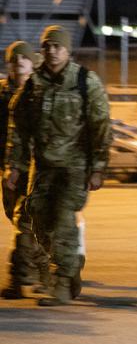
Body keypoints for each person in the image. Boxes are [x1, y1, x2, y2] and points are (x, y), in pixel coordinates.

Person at [5, 25, 112, 306]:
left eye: (57, 46)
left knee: (64, 218)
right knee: (38, 220)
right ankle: (71, 265)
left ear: (67, 50)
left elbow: (101, 126)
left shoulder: (84, 81)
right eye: (47, 46)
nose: (51, 51)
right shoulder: (33, 84)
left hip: (74, 167)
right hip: (42, 168)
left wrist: (99, 167)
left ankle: (62, 282)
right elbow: (19, 129)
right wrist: (14, 166)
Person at [0, 41, 50, 299]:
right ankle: (43, 270)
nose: (18, 62)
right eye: (13, 59)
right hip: (9, 169)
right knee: (18, 219)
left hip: (36, 169)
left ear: (33, 63)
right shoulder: (1, 93)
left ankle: (19, 279)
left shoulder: (42, 92)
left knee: (25, 222)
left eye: (24, 58)